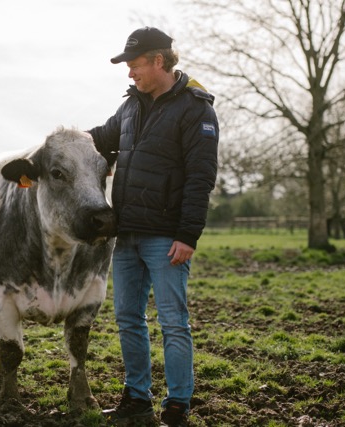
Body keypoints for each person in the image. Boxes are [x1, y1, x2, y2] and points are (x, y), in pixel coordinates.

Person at [88, 27, 219, 426]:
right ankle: (137, 399)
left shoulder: (196, 109)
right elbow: (101, 139)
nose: (130, 73)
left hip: (166, 237)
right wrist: (59, 143)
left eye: (135, 65)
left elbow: (200, 177)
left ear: (158, 61)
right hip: (126, 233)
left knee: (173, 323)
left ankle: (177, 405)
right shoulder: (130, 106)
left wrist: (187, 235)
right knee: (128, 319)